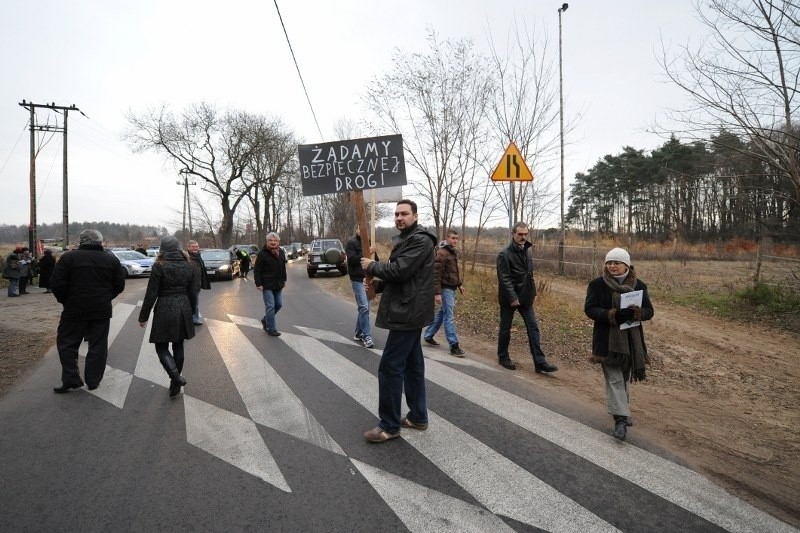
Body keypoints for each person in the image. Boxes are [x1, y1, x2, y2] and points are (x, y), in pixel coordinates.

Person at [360, 199, 437, 443]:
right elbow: (404, 278)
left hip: (408, 312)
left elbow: (401, 270)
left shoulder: (421, 240)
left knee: (390, 367)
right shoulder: (408, 239)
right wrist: (378, 284)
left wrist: (373, 266)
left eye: (404, 214)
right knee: (413, 366)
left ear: (415, 216)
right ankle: (418, 417)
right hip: (409, 308)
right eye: (396, 214)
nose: (399, 218)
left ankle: (389, 425)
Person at [584, 247, 654, 440]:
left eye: (616, 262)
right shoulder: (597, 284)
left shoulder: (639, 285)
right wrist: (612, 314)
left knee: (624, 377)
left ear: (627, 265)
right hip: (607, 339)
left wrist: (637, 313)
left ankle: (622, 410)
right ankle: (621, 419)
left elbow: (650, 310)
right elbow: (590, 309)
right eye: (609, 263)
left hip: (632, 340)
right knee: (614, 378)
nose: (612, 266)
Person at [49, 229, 126, 393]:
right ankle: (93, 381)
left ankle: (71, 379)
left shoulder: (68, 258)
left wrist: (66, 300)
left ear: (81, 241)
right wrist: (106, 297)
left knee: (66, 343)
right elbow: (119, 285)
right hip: (101, 309)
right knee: (98, 345)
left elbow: (56, 283)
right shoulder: (111, 259)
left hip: (74, 308)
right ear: (100, 241)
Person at [138, 236, 197, 398]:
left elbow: (151, 294)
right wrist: (191, 310)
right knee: (178, 345)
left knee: (161, 346)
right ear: (178, 248)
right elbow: (193, 292)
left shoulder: (159, 265)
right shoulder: (188, 264)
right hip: (183, 306)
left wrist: (143, 316)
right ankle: (175, 382)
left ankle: (175, 377)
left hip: (164, 307)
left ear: (162, 249)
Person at [496, 222, 558, 373]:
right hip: (509, 298)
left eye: (525, 234)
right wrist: (512, 298)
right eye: (520, 234)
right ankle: (503, 357)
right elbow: (504, 278)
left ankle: (540, 362)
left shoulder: (527, 249)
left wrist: (533, 293)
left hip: (526, 297)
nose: (523, 237)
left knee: (533, 328)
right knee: (506, 328)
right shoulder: (504, 254)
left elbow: (529, 274)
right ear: (513, 234)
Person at [423, 229, 465, 356]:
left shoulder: (452, 252)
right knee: (449, 316)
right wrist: (437, 293)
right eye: (453, 238)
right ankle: (454, 345)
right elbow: (436, 275)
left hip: (452, 288)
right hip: (445, 289)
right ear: (446, 238)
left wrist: (459, 285)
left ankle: (428, 335)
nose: (455, 241)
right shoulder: (442, 253)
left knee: (442, 313)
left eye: (457, 238)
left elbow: (453, 272)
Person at [345, 224, 377, 349]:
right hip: (357, 279)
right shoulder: (351, 243)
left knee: (366, 308)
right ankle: (366, 336)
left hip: (368, 279)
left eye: (365, 229)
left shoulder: (370, 243)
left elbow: (375, 260)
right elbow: (352, 260)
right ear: (357, 229)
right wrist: (367, 251)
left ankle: (358, 332)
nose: (362, 230)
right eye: (360, 228)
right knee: (364, 307)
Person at [254, 232, 287, 336]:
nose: (273, 242)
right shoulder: (262, 254)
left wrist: (284, 280)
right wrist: (258, 283)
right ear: (267, 242)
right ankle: (271, 328)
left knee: (279, 304)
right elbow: (257, 270)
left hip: (278, 284)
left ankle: (266, 319)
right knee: (271, 306)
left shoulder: (281, 252)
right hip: (267, 284)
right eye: (271, 240)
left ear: (278, 241)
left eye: (275, 240)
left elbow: (283, 267)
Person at [186, 240, 211, 325]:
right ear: (188, 247)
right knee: (191, 303)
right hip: (188, 285)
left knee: (194, 302)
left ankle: (193, 319)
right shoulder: (186, 257)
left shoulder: (198, 256)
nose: (196, 248)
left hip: (197, 284)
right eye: (193, 247)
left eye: (197, 246)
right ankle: (191, 319)